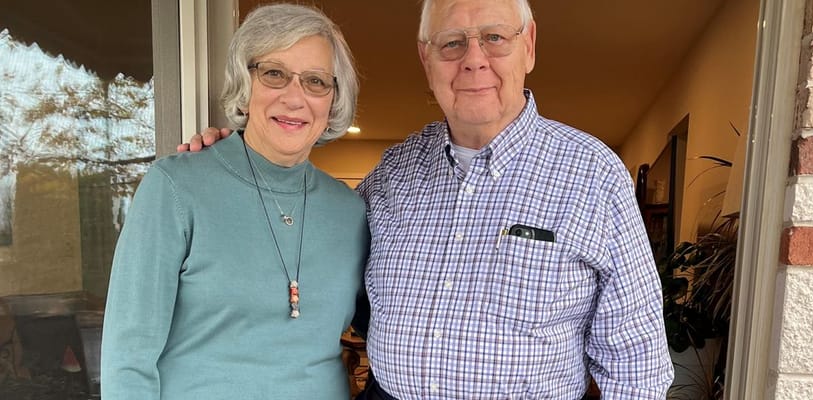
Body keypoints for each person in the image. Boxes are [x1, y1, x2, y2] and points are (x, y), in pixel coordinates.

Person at [186, 0, 674, 398]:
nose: (473, 59)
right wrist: (239, 163)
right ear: (426, 59)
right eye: (452, 43)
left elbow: (637, 363)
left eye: (494, 38)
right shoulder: (395, 173)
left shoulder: (592, 173)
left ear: (529, 46)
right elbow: (312, 246)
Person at [101, 4, 367, 399]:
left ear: (332, 103)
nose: (295, 98)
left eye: (316, 81)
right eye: (274, 73)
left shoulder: (351, 212)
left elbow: (391, 325)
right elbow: (128, 359)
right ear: (245, 87)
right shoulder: (175, 187)